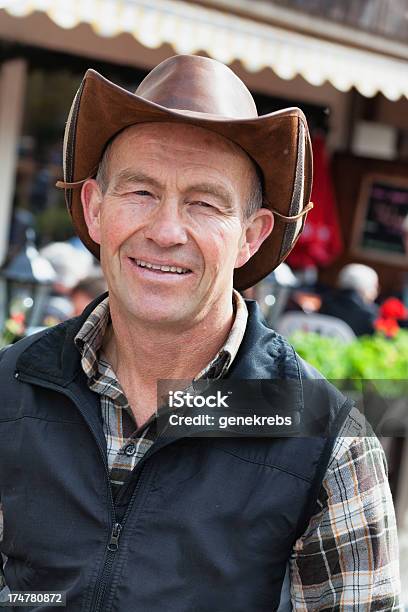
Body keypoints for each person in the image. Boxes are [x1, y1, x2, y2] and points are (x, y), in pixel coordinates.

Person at [0, 55, 400, 611]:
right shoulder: (10, 386)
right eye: (140, 192)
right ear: (94, 209)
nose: (165, 232)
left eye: (205, 203)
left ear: (250, 236)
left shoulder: (327, 441)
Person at [320, 262, 379, 336]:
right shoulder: (370, 315)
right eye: (375, 287)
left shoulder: (323, 303)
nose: (376, 291)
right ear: (365, 288)